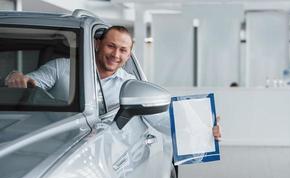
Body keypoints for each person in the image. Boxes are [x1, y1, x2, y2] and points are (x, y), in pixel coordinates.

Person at [5, 25, 221, 139]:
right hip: (50, 136)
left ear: (129, 54)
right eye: (111, 46)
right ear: (97, 44)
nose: (115, 54)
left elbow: (162, 120)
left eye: (123, 50)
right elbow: (33, 82)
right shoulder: (62, 66)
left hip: (105, 150)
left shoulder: (130, 85)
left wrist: (203, 130)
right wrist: (18, 77)